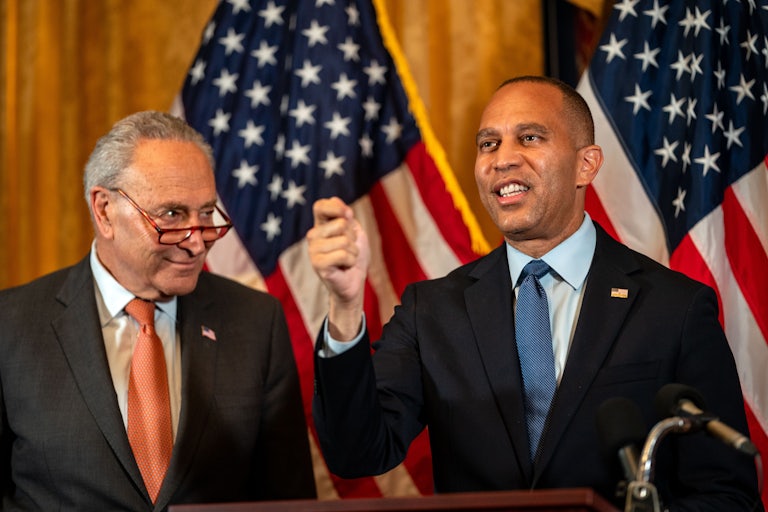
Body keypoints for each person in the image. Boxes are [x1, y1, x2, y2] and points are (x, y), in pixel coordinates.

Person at [307, 76, 762, 511]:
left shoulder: (674, 309)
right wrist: (345, 307)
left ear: (586, 164)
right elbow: (358, 453)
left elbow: (728, 495)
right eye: (488, 143)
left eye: (529, 138)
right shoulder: (432, 311)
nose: (501, 159)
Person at [0, 111, 316, 510]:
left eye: (205, 215)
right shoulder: (10, 327)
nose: (197, 244)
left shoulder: (257, 322)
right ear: (104, 210)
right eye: (171, 216)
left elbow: (288, 498)